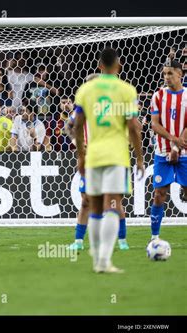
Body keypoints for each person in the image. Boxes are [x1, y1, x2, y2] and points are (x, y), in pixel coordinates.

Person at [74, 48, 144, 273]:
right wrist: (140, 158)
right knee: (113, 205)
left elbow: (76, 125)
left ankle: (96, 261)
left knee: (94, 208)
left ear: (99, 65)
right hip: (116, 156)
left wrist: (81, 156)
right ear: (118, 65)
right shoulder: (126, 90)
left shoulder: (86, 89)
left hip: (94, 155)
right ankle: (104, 261)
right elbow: (133, 127)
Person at [66, 74, 130, 251]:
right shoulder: (81, 108)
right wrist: (76, 142)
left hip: (111, 158)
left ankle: (122, 240)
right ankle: (78, 241)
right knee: (86, 200)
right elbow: (68, 126)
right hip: (90, 160)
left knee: (113, 202)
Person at [149, 59, 187, 240]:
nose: (166, 77)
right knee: (159, 194)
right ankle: (154, 237)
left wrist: (177, 147)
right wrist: (172, 142)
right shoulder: (157, 96)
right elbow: (155, 125)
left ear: (180, 74)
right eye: (164, 73)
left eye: (170, 73)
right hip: (162, 153)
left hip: (185, 152)